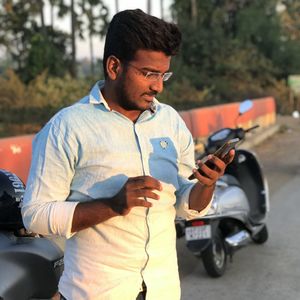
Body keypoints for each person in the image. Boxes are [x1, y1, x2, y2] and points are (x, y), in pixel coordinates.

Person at [22, 9, 234, 300]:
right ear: (114, 67)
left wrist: (205, 185)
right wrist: (112, 205)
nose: (158, 86)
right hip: (97, 292)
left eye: (163, 75)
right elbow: (35, 215)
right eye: (148, 74)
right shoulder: (67, 127)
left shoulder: (170, 121)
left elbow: (186, 205)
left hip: (163, 290)